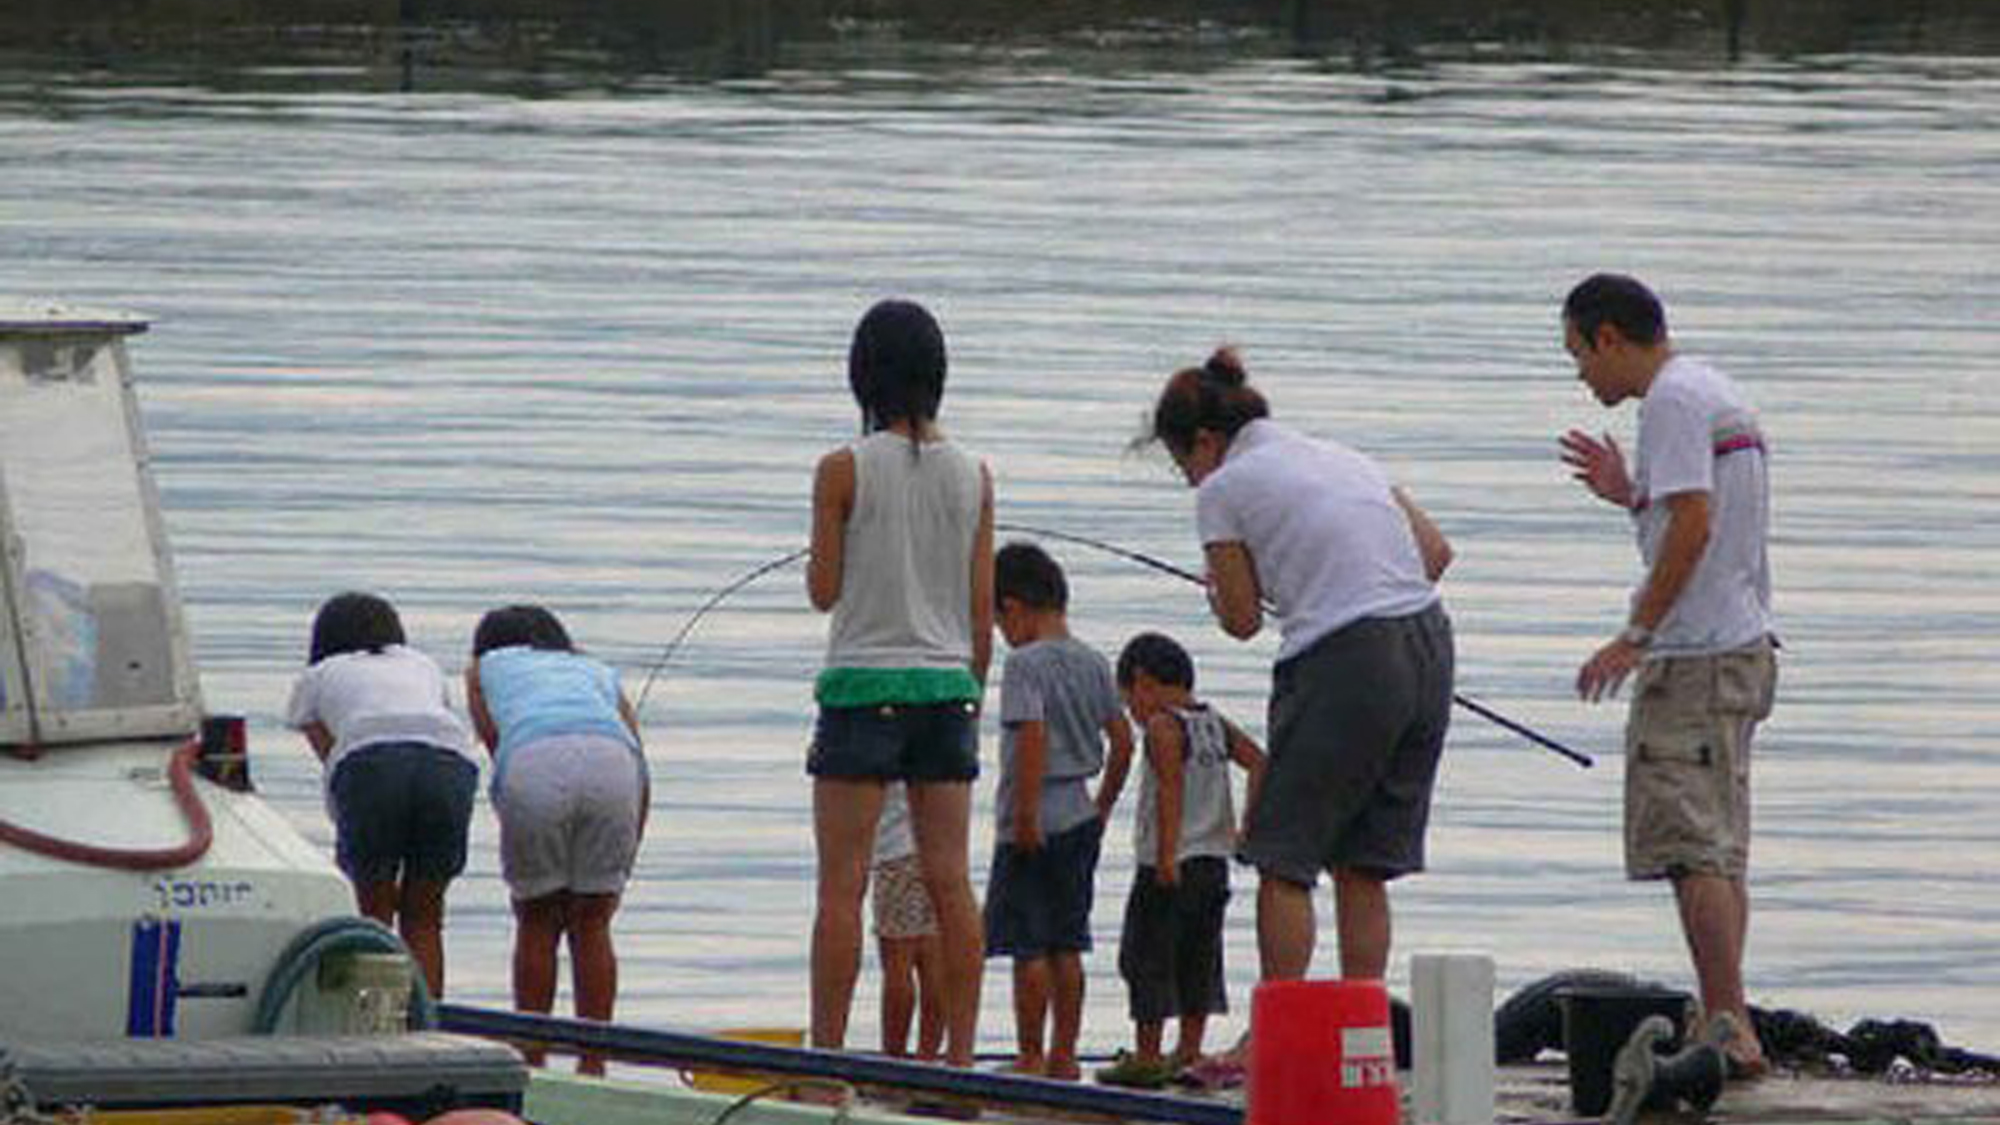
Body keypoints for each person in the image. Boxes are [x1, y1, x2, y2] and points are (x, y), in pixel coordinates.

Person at [1141, 347, 1455, 996]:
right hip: (1427, 642)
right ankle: (1360, 1025)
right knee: (1362, 863)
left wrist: (1222, 583)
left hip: (1343, 656)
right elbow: (1434, 553)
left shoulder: (1224, 488)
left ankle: (1275, 1028)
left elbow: (1240, 620)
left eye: (1183, 466)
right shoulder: (1341, 456)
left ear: (1204, 441)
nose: (1192, 482)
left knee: (1284, 859)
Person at [1557, 272, 1775, 1077]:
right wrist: (1628, 492)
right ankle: (1730, 1017)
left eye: (1580, 352)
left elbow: (1695, 523)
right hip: (1741, 645)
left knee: (1690, 848)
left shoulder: (1673, 401)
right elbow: (1691, 512)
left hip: (1694, 653)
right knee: (1718, 844)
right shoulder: (1711, 391)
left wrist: (1635, 634)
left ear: (1610, 337)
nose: (1581, 372)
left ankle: (1728, 1022)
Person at [805, 298, 994, 1067]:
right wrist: (970, 694)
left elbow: (823, 588)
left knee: (841, 887)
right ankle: (961, 1062)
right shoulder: (975, 475)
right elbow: (980, 614)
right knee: (952, 882)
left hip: (861, 688)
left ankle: (823, 1063)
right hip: (948, 689)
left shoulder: (842, 468)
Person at [465, 604, 649, 1075]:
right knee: (593, 923)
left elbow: (495, 740)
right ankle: (594, 1066)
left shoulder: (482, 668)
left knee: (536, 919)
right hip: (615, 764)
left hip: (533, 757)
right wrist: (628, 857)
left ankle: (532, 1062)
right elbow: (637, 754)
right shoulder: (594, 669)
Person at [984, 541, 1135, 1080]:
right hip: (1078, 813)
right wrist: (1103, 804)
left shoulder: (1024, 665)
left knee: (1028, 946)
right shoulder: (1094, 661)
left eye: (999, 620)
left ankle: (1028, 1055)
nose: (1002, 633)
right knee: (1068, 940)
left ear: (1014, 607)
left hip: (1034, 816)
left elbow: (1032, 737)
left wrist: (1023, 815)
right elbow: (1123, 740)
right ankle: (1065, 1056)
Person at [286, 591, 480, 998]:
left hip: (370, 762)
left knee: (372, 913)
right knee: (426, 916)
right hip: (450, 763)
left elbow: (333, 757)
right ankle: (428, 1026)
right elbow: (435, 720)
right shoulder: (421, 664)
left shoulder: (319, 675)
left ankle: (370, 1025)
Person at [1098, 632, 1266, 1090]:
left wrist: (1167, 854)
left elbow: (1169, 789)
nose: (1131, 710)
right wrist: (1245, 828)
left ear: (1142, 683)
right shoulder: (1212, 721)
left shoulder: (1162, 726)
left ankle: (1149, 1054)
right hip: (1213, 859)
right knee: (1199, 954)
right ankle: (1190, 1048)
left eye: (1128, 698)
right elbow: (1260, 763)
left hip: (1168, 862)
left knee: (1145, 955)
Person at [870, 782, 945, 1060]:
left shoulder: (885, 743)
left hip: (894, 853)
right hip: (938, 850)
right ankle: (928, 1054)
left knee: (897, 963)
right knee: (933, 960)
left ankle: (894, 1054)